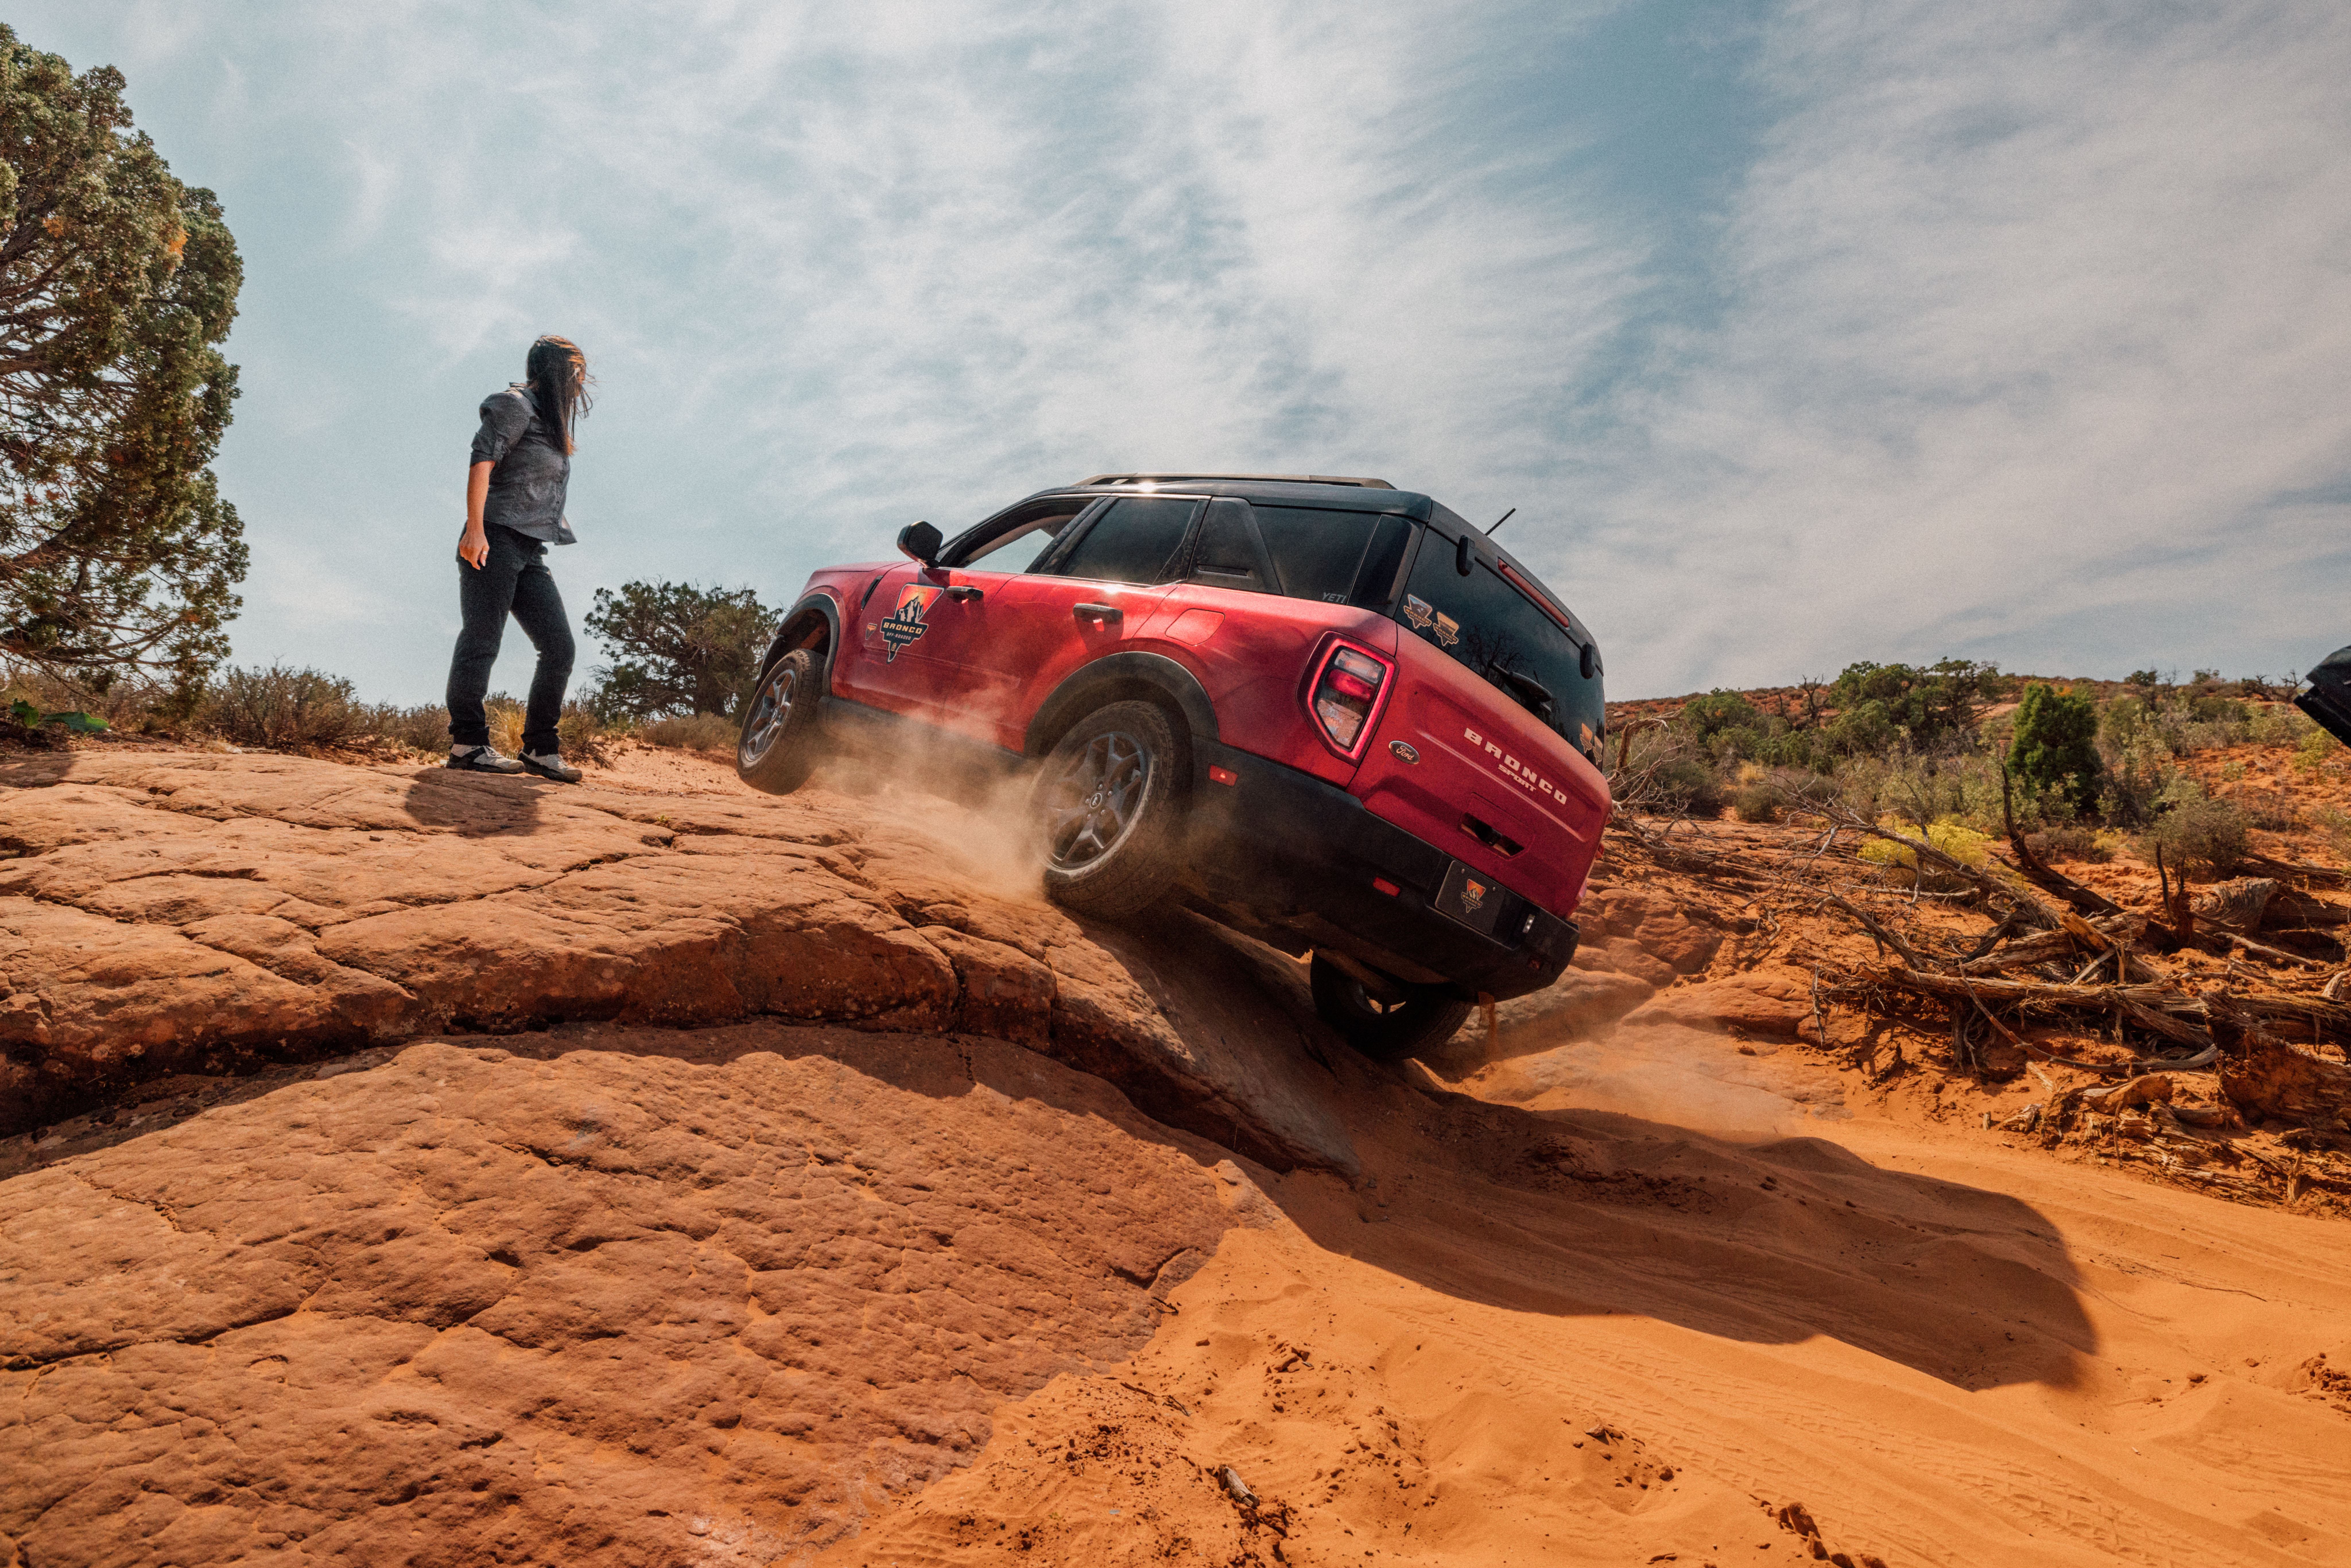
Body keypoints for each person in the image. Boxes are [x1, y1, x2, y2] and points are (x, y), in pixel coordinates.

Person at [446, 335, 591, 782]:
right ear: (556, 372)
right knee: (483, 640)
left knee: (559, 647)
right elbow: (481, 461)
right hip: (494, 538)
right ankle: (468, 743)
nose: (581, 383)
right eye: (576, 373)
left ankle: (540, 750)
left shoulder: (549, 423)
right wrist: (475, 529)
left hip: (529, 548)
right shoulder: (514, 405)